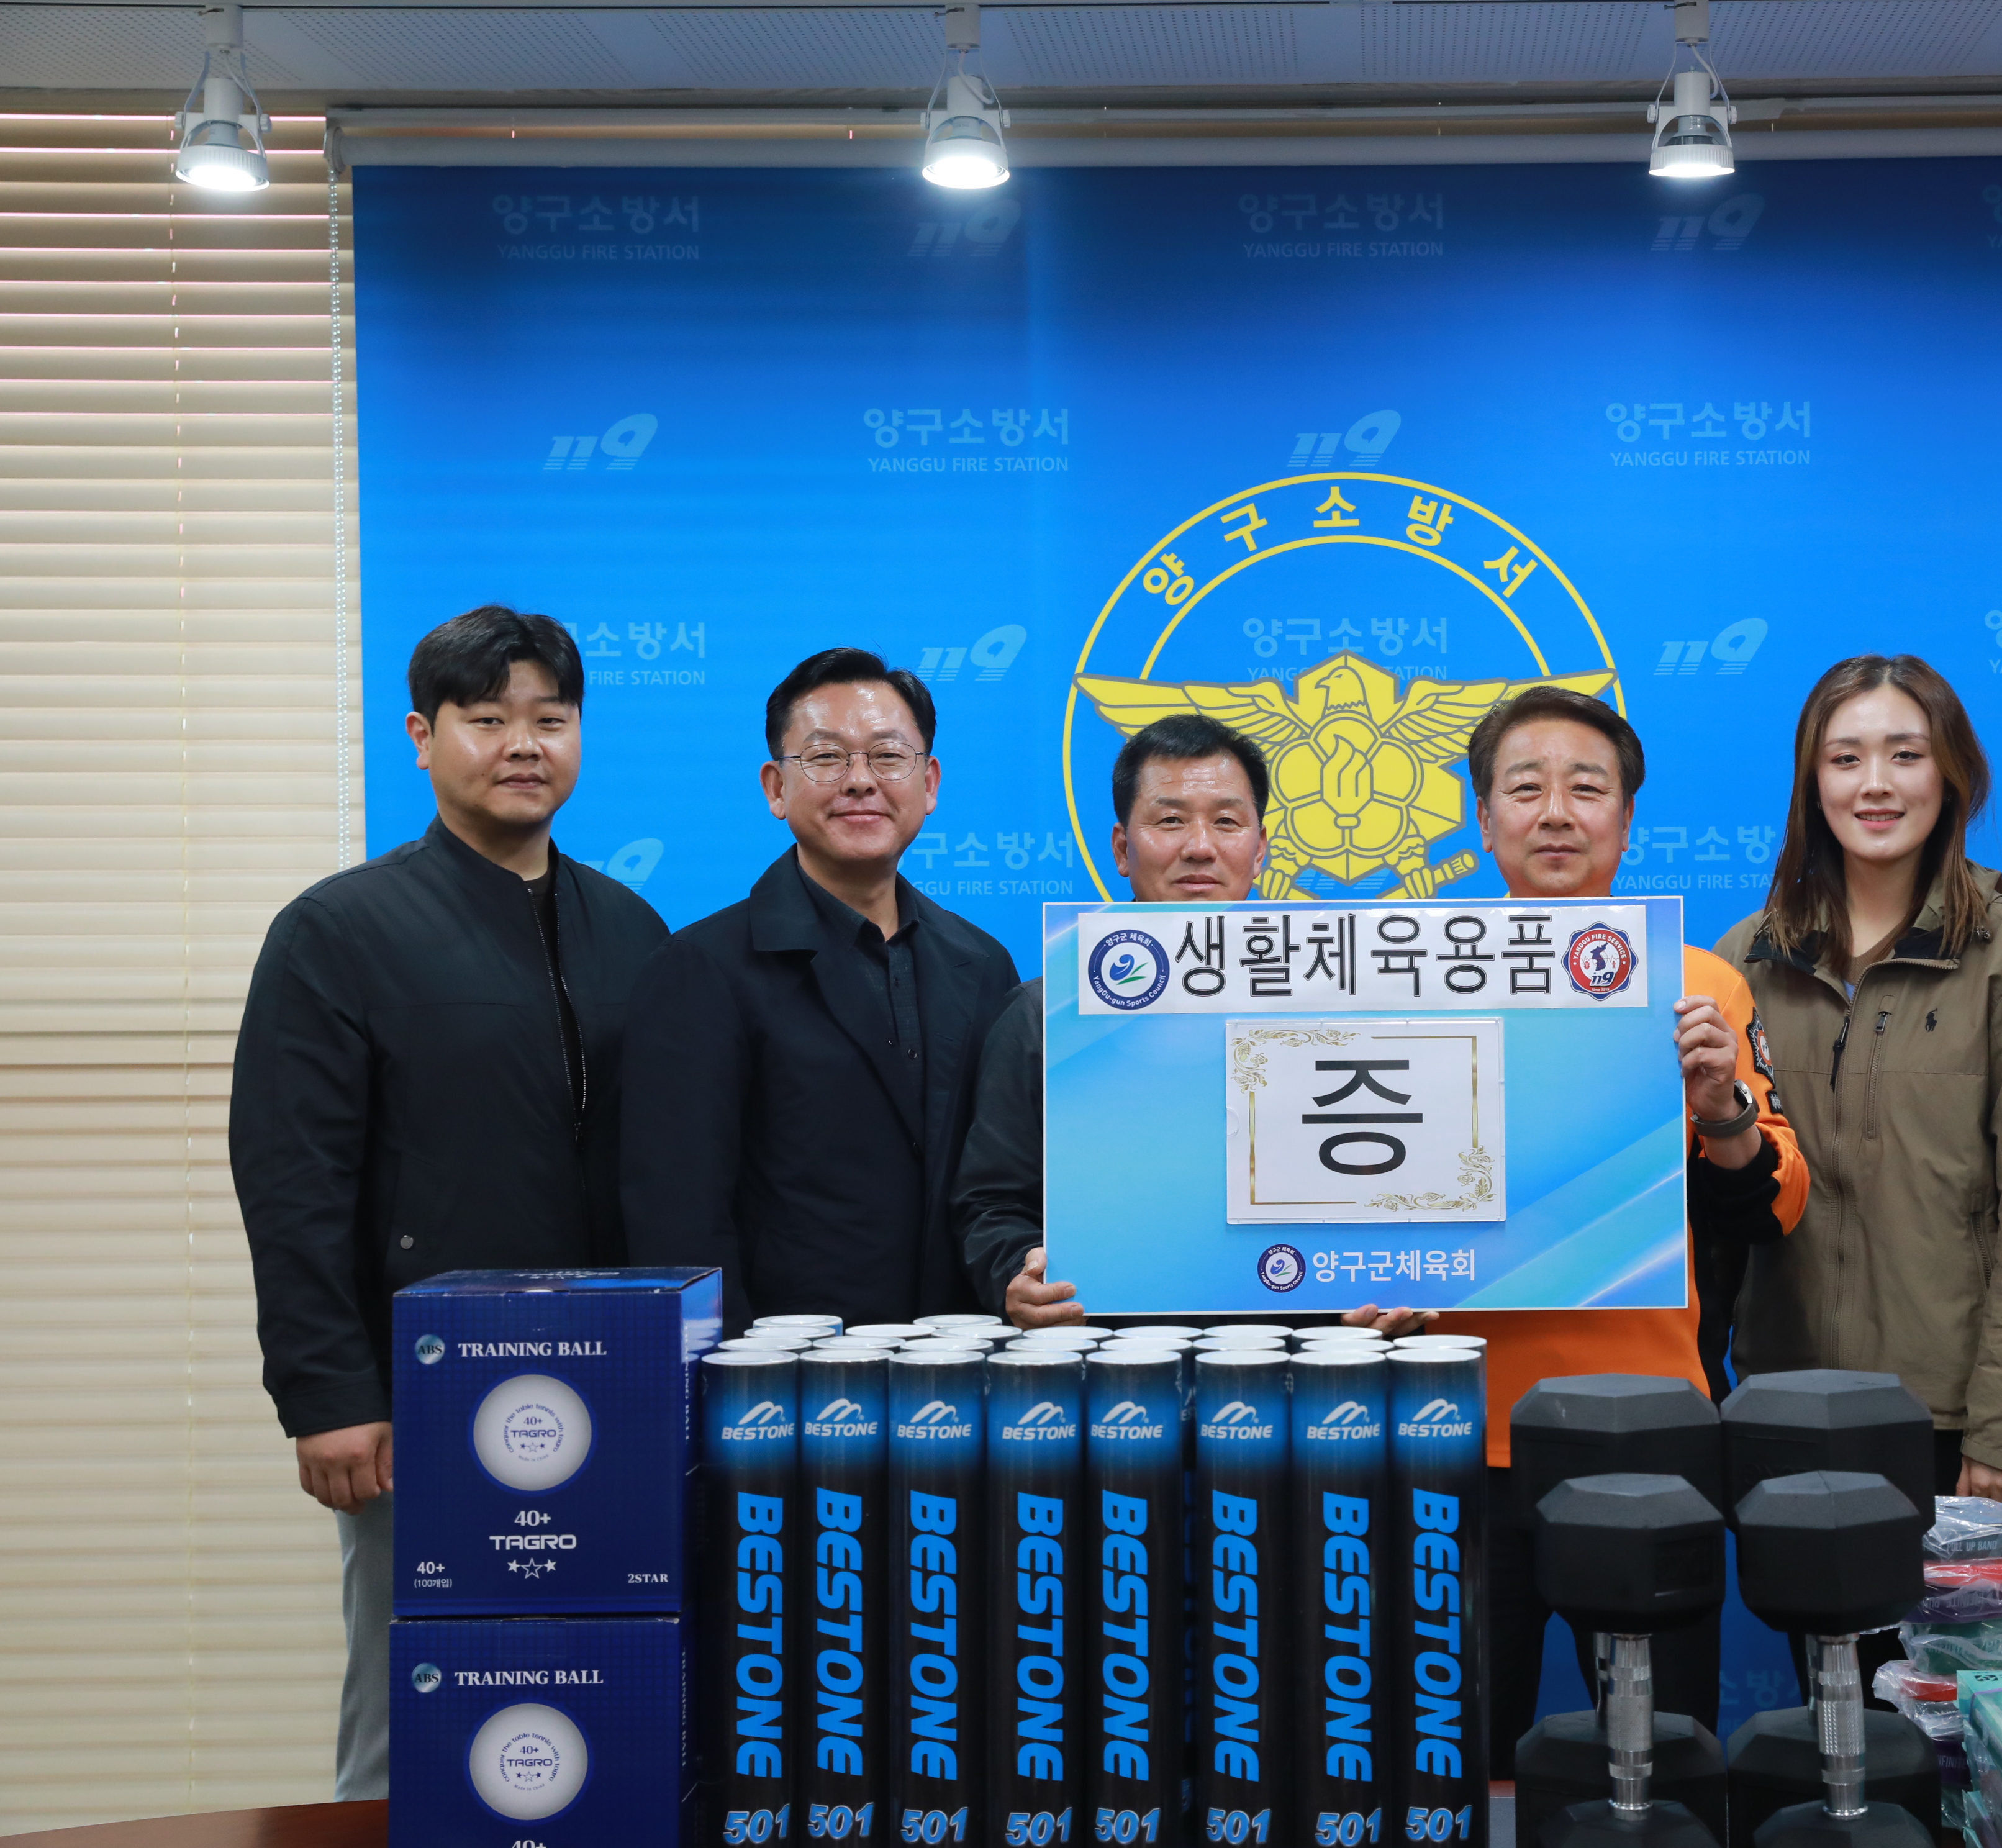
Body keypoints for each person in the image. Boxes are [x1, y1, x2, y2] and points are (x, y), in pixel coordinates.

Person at [230, 607, 670, 1800]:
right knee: (415, 1701)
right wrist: (329, 1393)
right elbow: (291, 1180)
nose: (523, 745)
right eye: (486, 719)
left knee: (602, 1698)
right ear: (422, 739)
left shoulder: (632, 930)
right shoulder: (337, 931)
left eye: (550, 719)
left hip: (615, 1385)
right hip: (422, 1395)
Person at [1436, 686, 1808, 1756]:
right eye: (1525, 788)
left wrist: (1720, 1105)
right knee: (1456, 1758)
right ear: (1483, 820)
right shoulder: (1405, 974)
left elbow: (1774, 1205)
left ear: (1627, 819)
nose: (1556, 812)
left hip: (1643, 1427)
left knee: (1663, 1758)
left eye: (1586, 788)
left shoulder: (1696, 985)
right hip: (1451, 1426)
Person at [1717, 655, 2002, 1509]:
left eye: (1907, 755)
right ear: (1812, 783)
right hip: (1781, 1404)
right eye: (1846, 759)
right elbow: (1718, 1212)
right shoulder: (1745, 959)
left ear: (1952, 775)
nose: (1875, 784)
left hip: (1949, 1420)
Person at [954, 712, 1418, 1332]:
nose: (1200, 846)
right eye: (1170, 820)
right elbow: (991, 1204)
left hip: (1300, 1364)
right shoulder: (1046, 1016)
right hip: (1107, 1364)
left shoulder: (1342, 1010)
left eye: (1226, 822)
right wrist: (1018, 1274)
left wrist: (1384, 1294)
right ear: (1123, 848)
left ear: (1260, 849)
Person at [622, 647, 1019, 1328]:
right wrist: (732, 1370)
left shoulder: (983, 963)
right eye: (827, 758)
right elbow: (678, 1216)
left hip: (958, 1359)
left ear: (929, 783)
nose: (860, 781)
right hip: (785, 1368)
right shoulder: (701, 968)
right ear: (776, 787)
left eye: (888, 756)